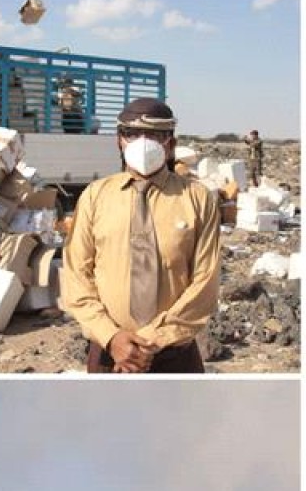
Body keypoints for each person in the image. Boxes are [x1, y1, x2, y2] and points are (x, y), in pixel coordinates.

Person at [60, 97, 220, 374]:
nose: (143, 142)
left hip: (175, 355)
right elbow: (77, 275)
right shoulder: (95, 196)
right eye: (132, 133)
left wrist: (150, 343)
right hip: (109, 355)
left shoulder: (197, 198)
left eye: (155, 134)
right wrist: (113, 338)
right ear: (119, 140)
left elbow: (205, 281)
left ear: (170, 142)